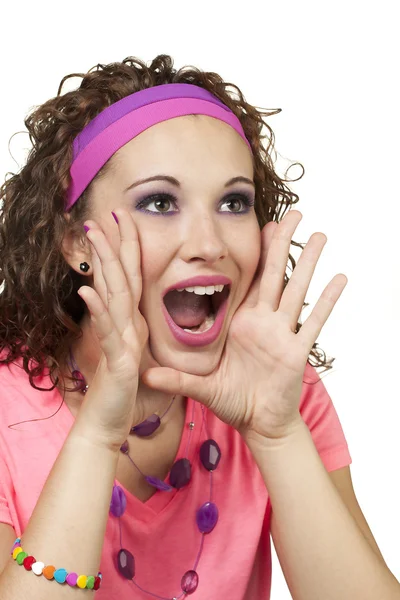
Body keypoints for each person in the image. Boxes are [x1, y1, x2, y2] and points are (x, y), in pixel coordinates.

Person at [0, 54, 398, 600]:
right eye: (160, 202)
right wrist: (96, 434)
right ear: (76, 242)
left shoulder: (278, 388)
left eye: (234, 203)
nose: (210, 244)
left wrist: (276, 435)